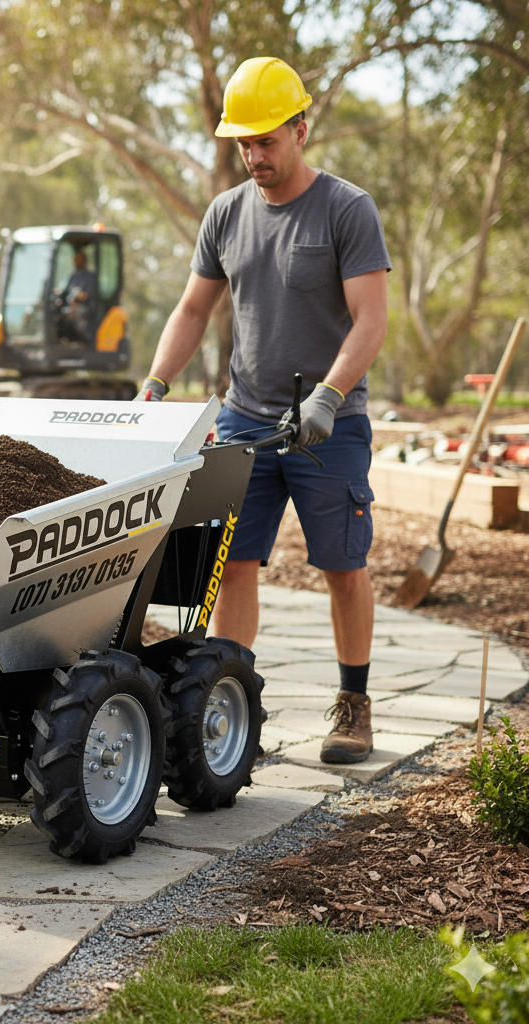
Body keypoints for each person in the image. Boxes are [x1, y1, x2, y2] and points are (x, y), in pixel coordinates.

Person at [135, 56, 391, 765]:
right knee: (233, 563)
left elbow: (371, 321)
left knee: (342, 566)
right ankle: (232, 708)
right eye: (243, 143)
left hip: (328, 428)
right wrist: (155, 385)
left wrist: (329, 397)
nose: (253, 155)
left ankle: (354, 706)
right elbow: (192, 309)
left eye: (266, 140)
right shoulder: (226, 214)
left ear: (301, 131)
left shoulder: (346, 209)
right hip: (245, 421)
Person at [56, 248, 98, 344]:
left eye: (80, 259)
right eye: (76, 259)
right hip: (70, 305)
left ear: (85, 261)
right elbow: (64, 291)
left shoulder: (90, 277)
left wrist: (77, 299)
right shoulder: (72, 276)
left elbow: (87, 294)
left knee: (75, 313)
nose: (78, 262)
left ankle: (81, 340)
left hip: (86, 307)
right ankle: (61, 339)